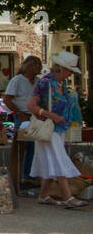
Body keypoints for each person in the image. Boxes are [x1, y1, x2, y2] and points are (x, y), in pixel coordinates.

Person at [26, 51, 87, 208]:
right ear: (61, 69)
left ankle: (44, 195)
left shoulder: (62, 84)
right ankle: (68, 197)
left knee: (51, 160)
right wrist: (51, 115)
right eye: (69, 71)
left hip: (58, 128)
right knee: (59, 159)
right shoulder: (45, 83)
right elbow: (31, 106)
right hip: (48, 127)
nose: (70, 74)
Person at [4, 55, 42, 187]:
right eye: (36, 64)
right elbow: (7, 99)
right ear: (28, 66)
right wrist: (19, 114)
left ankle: (31, 175)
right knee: (24, 146)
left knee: (36, 146)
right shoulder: (17, 80)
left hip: (35, 116)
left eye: (39, 65)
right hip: (22, 116)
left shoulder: (38, 81)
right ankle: (24, 176)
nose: (38, 67)